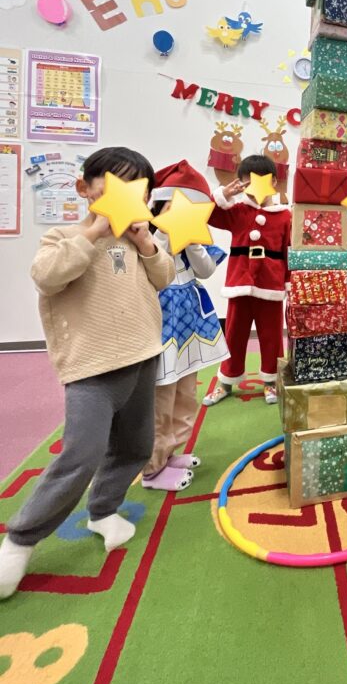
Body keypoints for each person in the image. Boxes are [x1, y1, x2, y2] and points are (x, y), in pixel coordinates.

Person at [0, 147, 175, 600]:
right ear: (85, 188)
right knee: (83, 453)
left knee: (135, 446)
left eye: (139, 190)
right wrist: (95, 231)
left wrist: (145, 242)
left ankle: (104, 510)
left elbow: (165, 277)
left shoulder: (138, 241)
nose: (129, 196)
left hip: (142, 357)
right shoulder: (64, 236)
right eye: (115, 185)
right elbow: (48, 276)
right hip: (92, 369)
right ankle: (20, 539)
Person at [142, 161, 230, 491]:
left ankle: (169, 452)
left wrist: (191, 240)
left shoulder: (195, 234)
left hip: (190, 319)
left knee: (186, 391)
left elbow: (205, 270)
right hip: (162, 319)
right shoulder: (144, 234)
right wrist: (166, 232)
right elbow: (154, 269)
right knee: (161, 395)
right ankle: (152, 468)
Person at [203, 155, 290, 406]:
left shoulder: (285, 216)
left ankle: (270, 381)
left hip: (271, 285)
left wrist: (288, 284)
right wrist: (223, 195)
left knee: (272, 336)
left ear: (274, 182)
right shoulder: (238, 211)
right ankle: (225, 382)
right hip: (239, 284)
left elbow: (288, 251)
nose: (252, 189)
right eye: (246, 183)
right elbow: (208, 215)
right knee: (234, 335)